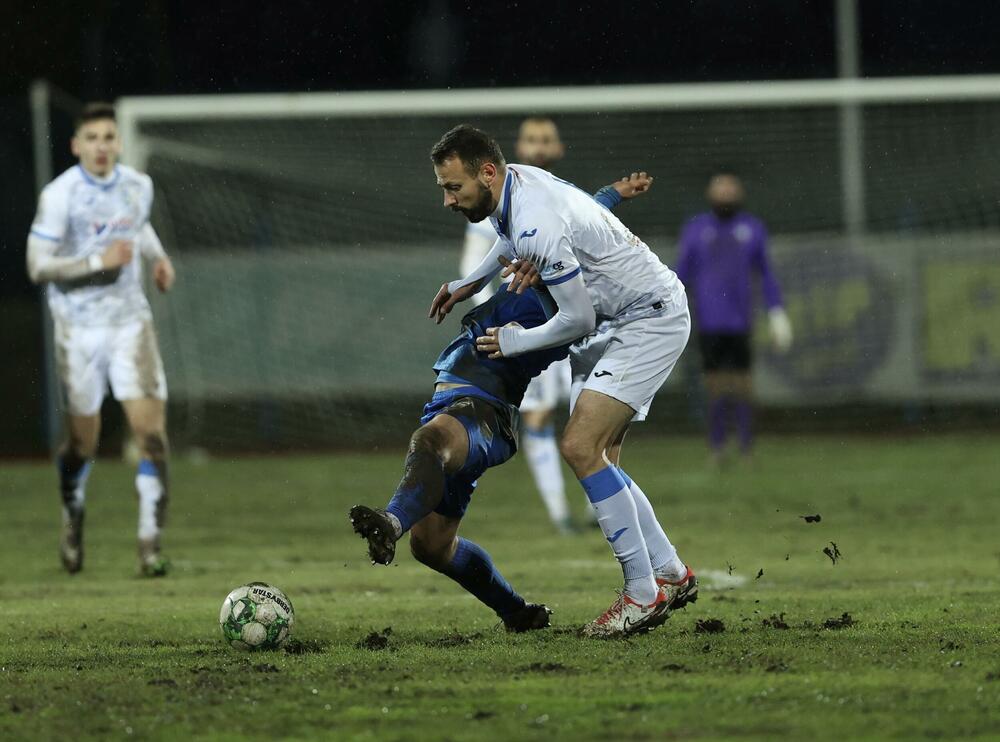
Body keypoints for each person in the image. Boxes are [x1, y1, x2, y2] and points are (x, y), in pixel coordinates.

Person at [349, 172, 650, 632]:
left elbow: (565, 245)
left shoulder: (570, 296)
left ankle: (391, 520)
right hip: (465, 402)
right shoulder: (550, 248)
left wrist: (532, 270)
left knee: (429, 442)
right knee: (431, 546)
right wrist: (612, 194)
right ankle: (517, 613)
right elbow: (580, 216)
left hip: (482, 409)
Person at [427, 125, 697, 637]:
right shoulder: (518, 182)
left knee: (579, 445)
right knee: (602, 458)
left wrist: (512, 342)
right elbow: (509, 240)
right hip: (625, 317)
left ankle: (642, 594)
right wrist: (468, 284)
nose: (448, 199)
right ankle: (669, 572)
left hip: (645, 318)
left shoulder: (536, 222)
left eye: (453, 187)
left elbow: (578, 320)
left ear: (487, 173)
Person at [27, 102, 175, 577]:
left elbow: (137, 225)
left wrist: (158, 257)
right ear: (76, 146)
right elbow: (38, 265)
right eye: (91, 138)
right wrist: (99, 263)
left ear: (118, 143)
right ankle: (72, 512)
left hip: (130, 323)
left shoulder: (138, 186)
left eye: (109, 137)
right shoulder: (60, 195)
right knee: (80, 444)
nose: (101, 146)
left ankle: (149, 548)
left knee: (152, 436)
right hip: (78, 330)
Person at [460, 116, 613, 534]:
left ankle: (598, 509)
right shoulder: (495, 206)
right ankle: (560, 514)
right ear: (518, 149)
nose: (539, 146)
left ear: (558, 148)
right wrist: (508, 320)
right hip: (534, 329)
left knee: (593, 411)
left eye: (546, 139)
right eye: (531, 139)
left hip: (581, 321)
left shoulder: (563, 197)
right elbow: (476, 273)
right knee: (539, 417)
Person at [674, 172, 792, 464]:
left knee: (743, 387)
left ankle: (746, 447)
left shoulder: (753, 228)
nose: (725, 194)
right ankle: (717, 447)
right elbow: (679, 275)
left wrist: (776, 311)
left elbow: (765, 273)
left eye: (730, 188)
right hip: (709, 322)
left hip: (741, 322)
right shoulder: (696, 229)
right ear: (710, 194)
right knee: (715, 387)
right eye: (720, 188)